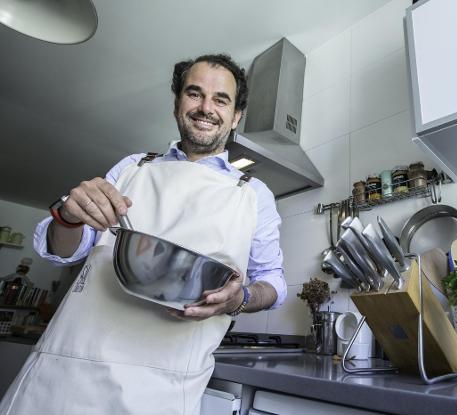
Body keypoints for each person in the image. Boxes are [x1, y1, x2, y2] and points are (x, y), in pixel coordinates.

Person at [0, 54, 286, 415]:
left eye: (220, 99)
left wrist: (238, 299)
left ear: (236, 116)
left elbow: (272, 283)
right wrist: (69, 219)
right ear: (177, 104)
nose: (206, 108)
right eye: (194, 94)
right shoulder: (133, 167)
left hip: (161, 388)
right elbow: (67, 250)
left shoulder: (253, 193)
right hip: (63, 371)